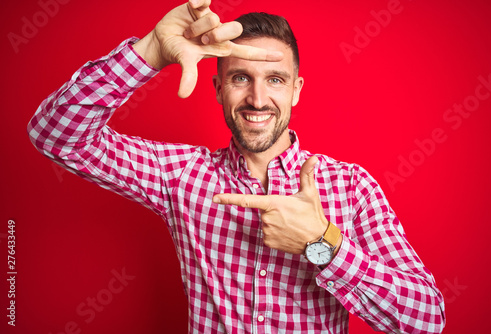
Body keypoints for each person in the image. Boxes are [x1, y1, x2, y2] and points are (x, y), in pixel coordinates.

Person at [27, 0, 445, 333]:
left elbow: (426, 319)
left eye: (276, 80)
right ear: (218, 87)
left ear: (296, 90)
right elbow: (56, 135)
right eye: (241, 78)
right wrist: (150, 51)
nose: (259, 99)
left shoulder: (351, 187)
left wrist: (323, 244)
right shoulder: (182, 176)